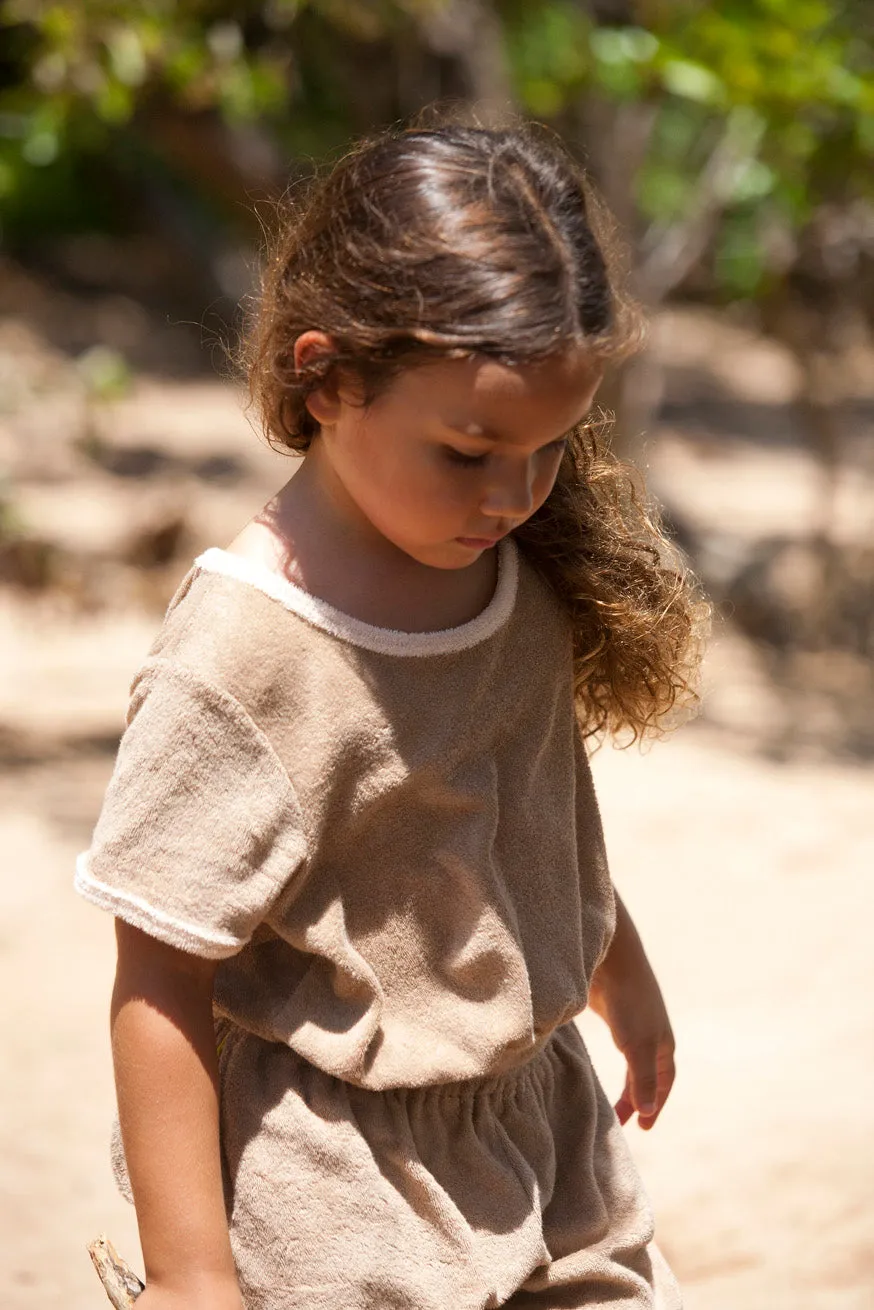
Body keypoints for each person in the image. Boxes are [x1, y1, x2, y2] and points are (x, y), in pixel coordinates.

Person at [75, 117, 707, 1310]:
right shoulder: (242, 652)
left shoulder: (512, 577)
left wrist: (620, 970)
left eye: (548, 451)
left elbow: (530, 809)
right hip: (336, 1185)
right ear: (327, 377)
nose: (514, 495)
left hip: (544, 1134)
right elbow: (158, 967)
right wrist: (190, 1271)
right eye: (469, 450)